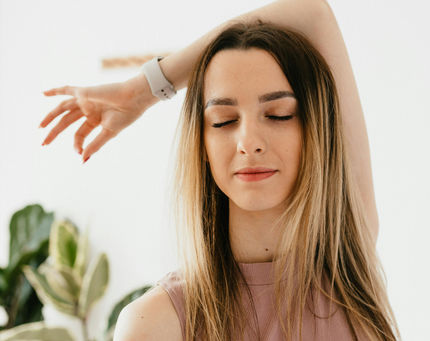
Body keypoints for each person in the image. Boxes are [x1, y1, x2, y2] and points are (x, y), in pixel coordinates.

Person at [39, 0, 400, 340]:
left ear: (313, 132)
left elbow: (311, 12)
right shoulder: (156, 323)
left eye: (278, 115)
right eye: (224, 121)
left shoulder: (348, 261)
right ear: (203, 147)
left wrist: (145, 88)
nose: (249, 142)